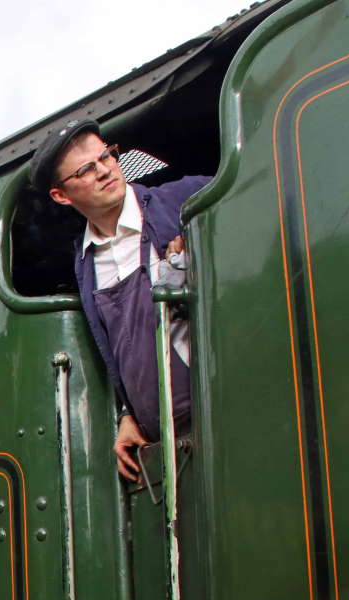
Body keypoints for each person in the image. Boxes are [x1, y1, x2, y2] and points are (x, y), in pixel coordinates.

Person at [32, 118, 211, 481]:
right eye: (85, 170)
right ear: (61, 195)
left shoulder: (183, 200)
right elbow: (122, 344)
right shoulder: (84, 261)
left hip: (219, 410)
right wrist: (129, 412)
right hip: (167, 442)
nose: (104, 171)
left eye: (106, 157)